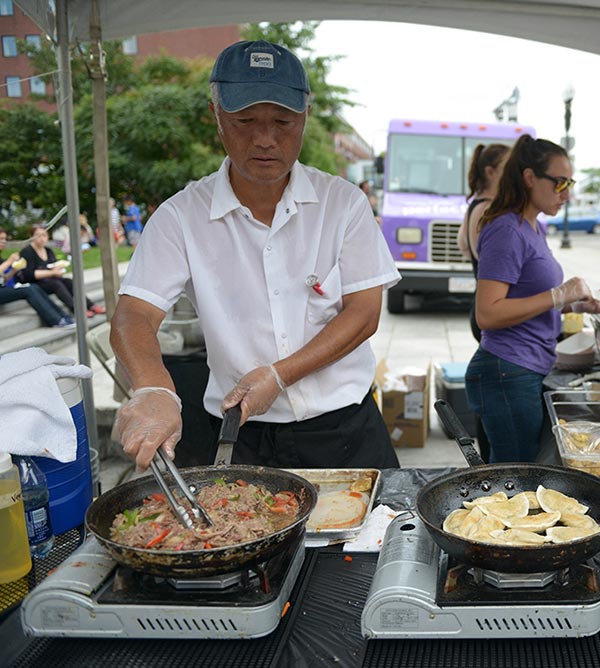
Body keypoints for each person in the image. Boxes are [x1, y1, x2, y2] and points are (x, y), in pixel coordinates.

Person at [111, 39, 402, 473]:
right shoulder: (181, 216)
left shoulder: (343, 203)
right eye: (245, 121)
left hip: (344, 427)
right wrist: (154, 388)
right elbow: (134, 313)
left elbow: (364, 313)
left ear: (305, 117)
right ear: (216, 116)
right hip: (238, 432)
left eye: (283, 122)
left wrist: (280, 374)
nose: (265, 139)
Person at [464, 135, 600, 463]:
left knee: (520, 470)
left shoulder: (533, 227)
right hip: (507, 369)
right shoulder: (505, 229)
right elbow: (488, 314)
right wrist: (557, 295)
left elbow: (527, 297)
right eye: (560, 182)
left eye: (570, 183)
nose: (567, 194)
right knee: (514, 474)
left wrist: (578, 304)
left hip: (526, 367)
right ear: (529, 177)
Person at [456, 143, 511, 342]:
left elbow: (463, 245)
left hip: (480, 304)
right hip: (494, 310)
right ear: (490, 172)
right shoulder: (491, 210)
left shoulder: (475, 206)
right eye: (508, 168)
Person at [16, 225, 104, 318]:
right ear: (31, 236)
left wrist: (58, 269)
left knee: (69, 282)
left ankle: (90, 305)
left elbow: (53, 265)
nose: (42, 238)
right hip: (36, 283)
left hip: (50, 278)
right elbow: (29, 274)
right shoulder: (27, 252)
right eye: (38, 235)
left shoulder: (48, 251)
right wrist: (52, 273)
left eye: (44, 235)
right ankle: (76, 310)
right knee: (56, 284)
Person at [0, 229, 74, 328]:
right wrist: (9, 262)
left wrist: (13, 271)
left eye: (4, 239)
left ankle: (63, 316)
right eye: (1, 239)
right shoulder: (27, 251)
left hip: (3, 289)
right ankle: (55, 320)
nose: (4, 241)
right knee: (29, 290)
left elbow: (3, 279)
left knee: (34, 287)